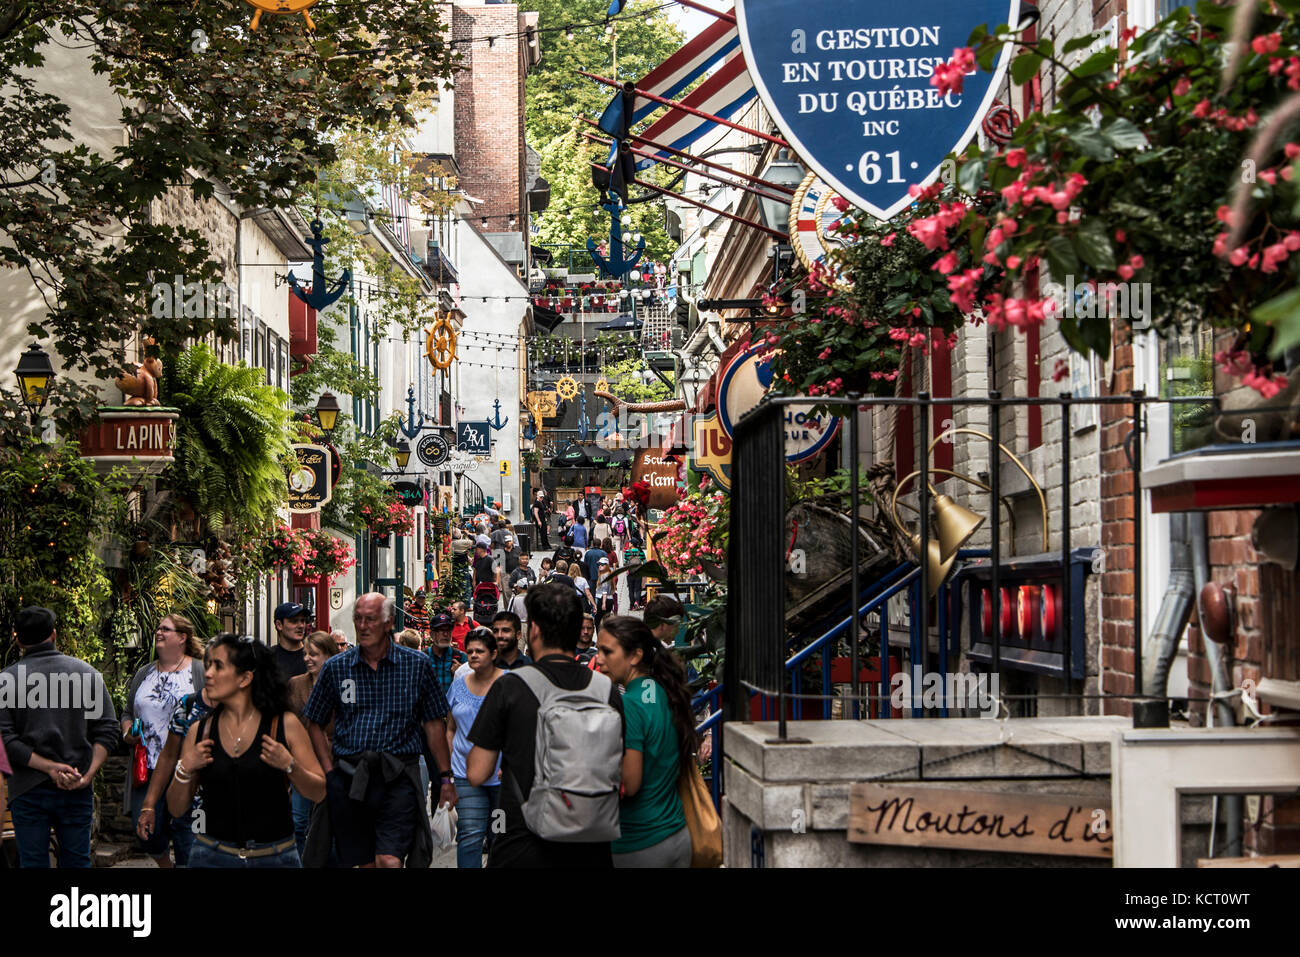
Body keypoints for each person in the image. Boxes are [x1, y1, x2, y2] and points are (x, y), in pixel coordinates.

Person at [466, 583, 624, 868]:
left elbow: (477, 772)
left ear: (534, 630)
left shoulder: (510, 686)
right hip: (592, 843)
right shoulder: (606, 690)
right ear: (578, 629)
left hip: (523, 844)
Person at [301, 593, 458, 869]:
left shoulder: (415, 665)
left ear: (389, 623)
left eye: (370, 619)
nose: (362, 626)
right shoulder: (337, 667)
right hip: (351, 775)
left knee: (389, 859)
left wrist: (445, 778)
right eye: (358, 619)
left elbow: (434, 722)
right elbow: (314, 720)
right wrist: (328, 771)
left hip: (398, 775)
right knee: (364, 862)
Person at [167, 634, 325, 868]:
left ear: (244, 678)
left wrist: (291, 766)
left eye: (218, 666)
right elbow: (176, 808)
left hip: (274, 857)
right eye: (208, 665)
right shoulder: (200, 731)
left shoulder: (283, 725)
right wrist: (185, 768)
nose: (208, 673)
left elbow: (319, 792)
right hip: (211, 856)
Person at [0, 607, 119, 869]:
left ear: (18, 640)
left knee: (32, 863)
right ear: (54, 635)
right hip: (77, 783)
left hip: (27, 787)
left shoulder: (5, 681)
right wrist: (87, 775)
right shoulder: (86, 674)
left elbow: (6, 742)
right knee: (77, 862)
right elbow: (109, 729)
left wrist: (48, 768)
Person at [595, 616, 695, 868]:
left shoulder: (629, 706)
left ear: (635, 656)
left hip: (640, 843)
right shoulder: (661, 692)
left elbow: (630, 783)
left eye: (607, 651)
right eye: (598, 650)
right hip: (677, 834)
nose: (598, 659)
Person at [121, 613, 206, 867]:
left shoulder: (199, 671)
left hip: (187, 768)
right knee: (146, 831)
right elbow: (127, 712)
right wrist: (128, 733)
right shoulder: (144, 673)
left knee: (187, 834)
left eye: (166, 629)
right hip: (147, 768)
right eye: (158, 628)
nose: (159, 632)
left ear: (182, 638)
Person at [445, 628, 504, 868]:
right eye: (469, 651)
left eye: (479, 651)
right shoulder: (458, 686)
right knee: (469, 835)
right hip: (464, 773)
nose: (473, 655)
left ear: (493, 653)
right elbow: (449, 728)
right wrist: (450, 764)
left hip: (502, 777)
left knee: (500, 836)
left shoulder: (509, 683)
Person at [287, 631, 340, 859]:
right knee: (298, 821)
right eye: (305, 654)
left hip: (333, 761)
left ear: (328, 655)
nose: (308, 658)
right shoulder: (296, 684)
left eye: (314, 654)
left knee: (332, 820)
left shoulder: (341, 684)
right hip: (302, 760)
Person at [427, 612, 469, 695]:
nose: (446, 634)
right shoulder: (423, 658)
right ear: (432, 634)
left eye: (448, 630)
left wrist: (462, 673)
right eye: (441, 630)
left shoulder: (461, 657)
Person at [272, 602, 313, 680]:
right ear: (279, 625)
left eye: (303, 621)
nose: (301, 626)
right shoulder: (268, 658)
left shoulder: (313, 656)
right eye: (294, 621)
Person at [593, 560, 617, 629]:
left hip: (603, 599)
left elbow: (605, 589)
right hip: (609, 599)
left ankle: (600, 636)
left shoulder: (604, 575)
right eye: (599, 564)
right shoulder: (609, 573)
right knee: (606, 620)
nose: (600, 566)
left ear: (606, 566)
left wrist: (603, 603)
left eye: (602, 565)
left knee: (597, 620)